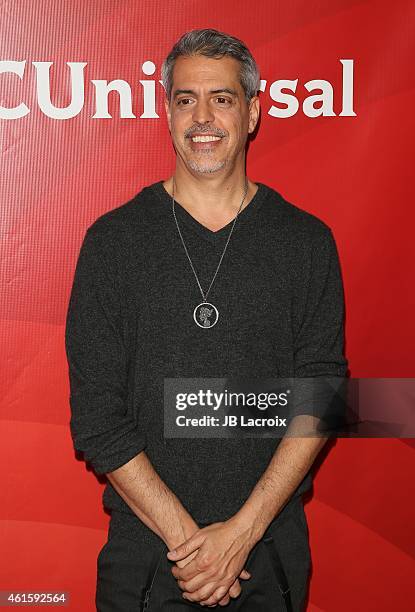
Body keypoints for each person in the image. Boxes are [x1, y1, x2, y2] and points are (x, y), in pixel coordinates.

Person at [65, 28, 348, 611]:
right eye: (185, 99)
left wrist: (241, 533)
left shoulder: (306, 243)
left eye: (221, 98)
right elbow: (97, 418)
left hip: (269, 555)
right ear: (166, 113)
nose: (202, 117)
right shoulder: (112, 244)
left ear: (252, 114)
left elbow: (320, 396)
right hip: (147, 560)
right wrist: (193, 547)